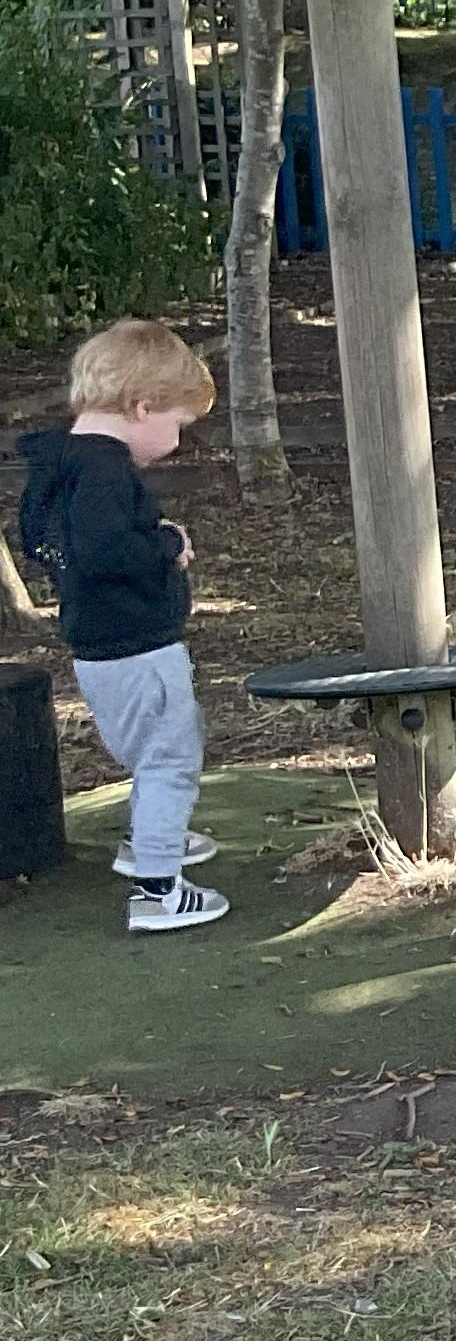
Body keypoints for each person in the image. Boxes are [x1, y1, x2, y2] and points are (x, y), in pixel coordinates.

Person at [15, 319, 226, 934]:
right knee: (170, 760)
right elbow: (107, 551)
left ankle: (151, 838)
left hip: (97, 646)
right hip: (140, 646)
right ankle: (158, 890)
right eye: (178, 424)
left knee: (149, 753)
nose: (177, 442)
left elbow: (40, 541)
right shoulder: (106, 473)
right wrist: (166, 545)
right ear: (142, 407)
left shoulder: (62, 465)